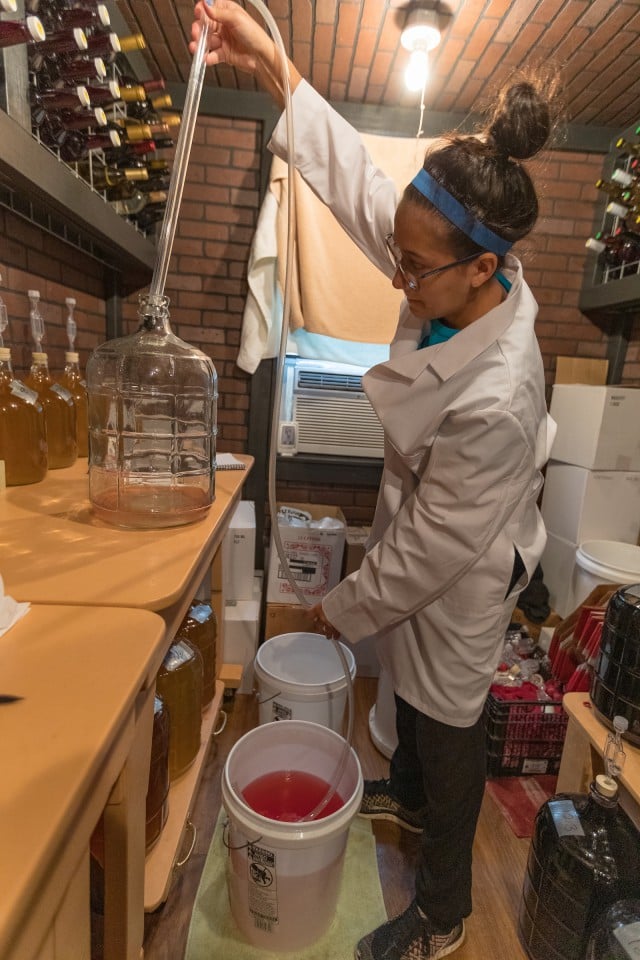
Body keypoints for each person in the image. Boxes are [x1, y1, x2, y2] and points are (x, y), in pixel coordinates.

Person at [191, 5, 558, 958]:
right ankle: (413, 798)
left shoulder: (504, 392)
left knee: (448, 717)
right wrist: (273, 62)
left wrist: (340, 607)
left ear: (485, 268)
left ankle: (443, 914)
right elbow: (357, 183)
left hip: (469, 564)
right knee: (408, 687)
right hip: (430, 526)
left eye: (417, 269)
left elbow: (437, 547)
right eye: (400, 254)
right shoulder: (443, 260)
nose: (400, 279)